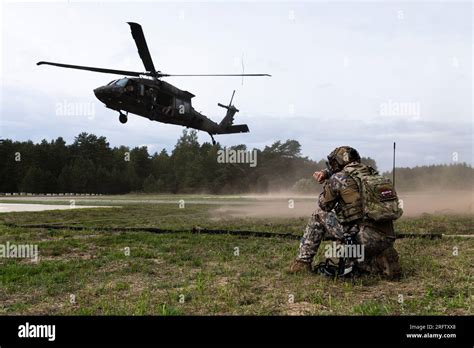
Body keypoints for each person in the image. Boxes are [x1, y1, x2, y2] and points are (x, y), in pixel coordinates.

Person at [288, 146, 402, 280]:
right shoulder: (373, 174)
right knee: (347, 246)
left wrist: (328, 183)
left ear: (338, 163)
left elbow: (324, 205)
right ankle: (380, 260)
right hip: (387, 237)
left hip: (363, 237)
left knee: (318, 215)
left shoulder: (338, 178)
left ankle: (302, 263)